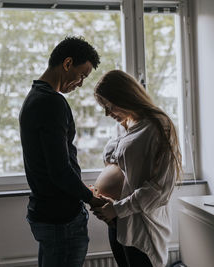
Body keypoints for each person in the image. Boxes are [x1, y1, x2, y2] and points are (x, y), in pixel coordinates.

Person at [19, 36, 105, 267]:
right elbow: (59, 170)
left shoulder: (34, 97)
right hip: (61, 219)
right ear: (67, 64)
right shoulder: (52, 102)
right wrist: (91, 199)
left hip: (47, 212)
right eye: (82, 75)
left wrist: (79, 187)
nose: (81, 83)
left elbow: (53, 163)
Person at [91, 70, 183, 267]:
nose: (108, 113)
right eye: (104, 107)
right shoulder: (125, 123)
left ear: (125, 96)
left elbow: (161, 189)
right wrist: (109, 203)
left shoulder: (159, 125)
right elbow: (126, 176)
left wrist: (117, 208)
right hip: (117, 221)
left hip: (141, 226)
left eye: (110, 105)